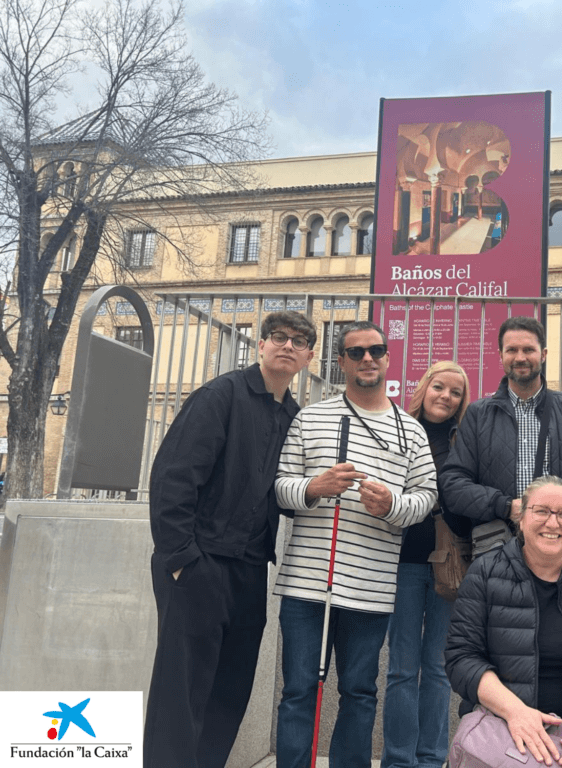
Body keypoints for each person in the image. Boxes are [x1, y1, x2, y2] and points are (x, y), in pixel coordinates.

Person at [144, 310, 316, 768]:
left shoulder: (294, 417)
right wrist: (181, 558)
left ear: (308, 356)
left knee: (230, 689)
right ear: (260, 344)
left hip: (250, 568)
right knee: (181, 694)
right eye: (277, 336)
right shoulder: (220, 395)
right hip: (199, 564)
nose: (286, 345)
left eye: (298, 341)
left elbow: (286, 490)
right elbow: (173, 479)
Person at [273, 320, 438, 768]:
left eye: (376, 350)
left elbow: (426, 499)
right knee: (298, 691)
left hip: (371, 589)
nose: (368, 358)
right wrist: (314, 487)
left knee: (361, 693)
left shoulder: (412, 430)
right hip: (307, 586)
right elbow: (280, 487)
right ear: (341, 360)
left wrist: (391, 505)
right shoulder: (310, 416)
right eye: (356, 351)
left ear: (387, 358)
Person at [445, 475, 562, 768]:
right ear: (521, 518)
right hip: (504, 727)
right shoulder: (485, 573)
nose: (552, 523)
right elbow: (461, 657)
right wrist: (515, 712)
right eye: (541, 511)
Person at [440, 316, 562, 567]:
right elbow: (453, 485)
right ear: (500, 356)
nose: (520, 357)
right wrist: (505, 506)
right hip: (498, 555)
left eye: (528, 350)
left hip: (561, 554)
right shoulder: (478, 415)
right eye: (512, 350)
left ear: (543, 354)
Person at [382, 360, 471, 768]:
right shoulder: (397, 428)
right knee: (401, 668)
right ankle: (399, 760)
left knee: (437, 669)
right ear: (424, 388)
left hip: (448, 567)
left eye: (455, 392)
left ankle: (431, 759)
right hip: (399, 562)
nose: (446, 397)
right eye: (439, 387)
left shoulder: (464, 438)